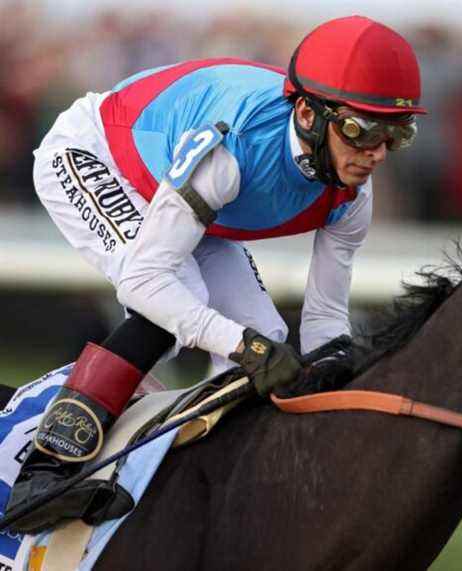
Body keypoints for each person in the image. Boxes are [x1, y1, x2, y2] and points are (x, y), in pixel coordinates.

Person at [7, 15, 425, 533]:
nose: (376, 154)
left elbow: (325, 319)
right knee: (182, 302)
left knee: (269, 333)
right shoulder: (234, 148)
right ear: (309, 115)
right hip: (96, 153)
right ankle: (45, 473)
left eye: (396, 135)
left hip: (185, 202)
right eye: (362, 130)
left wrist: (336, 398)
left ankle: (204, 479)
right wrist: (244, 348)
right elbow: (145, 282)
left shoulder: (353, 194)